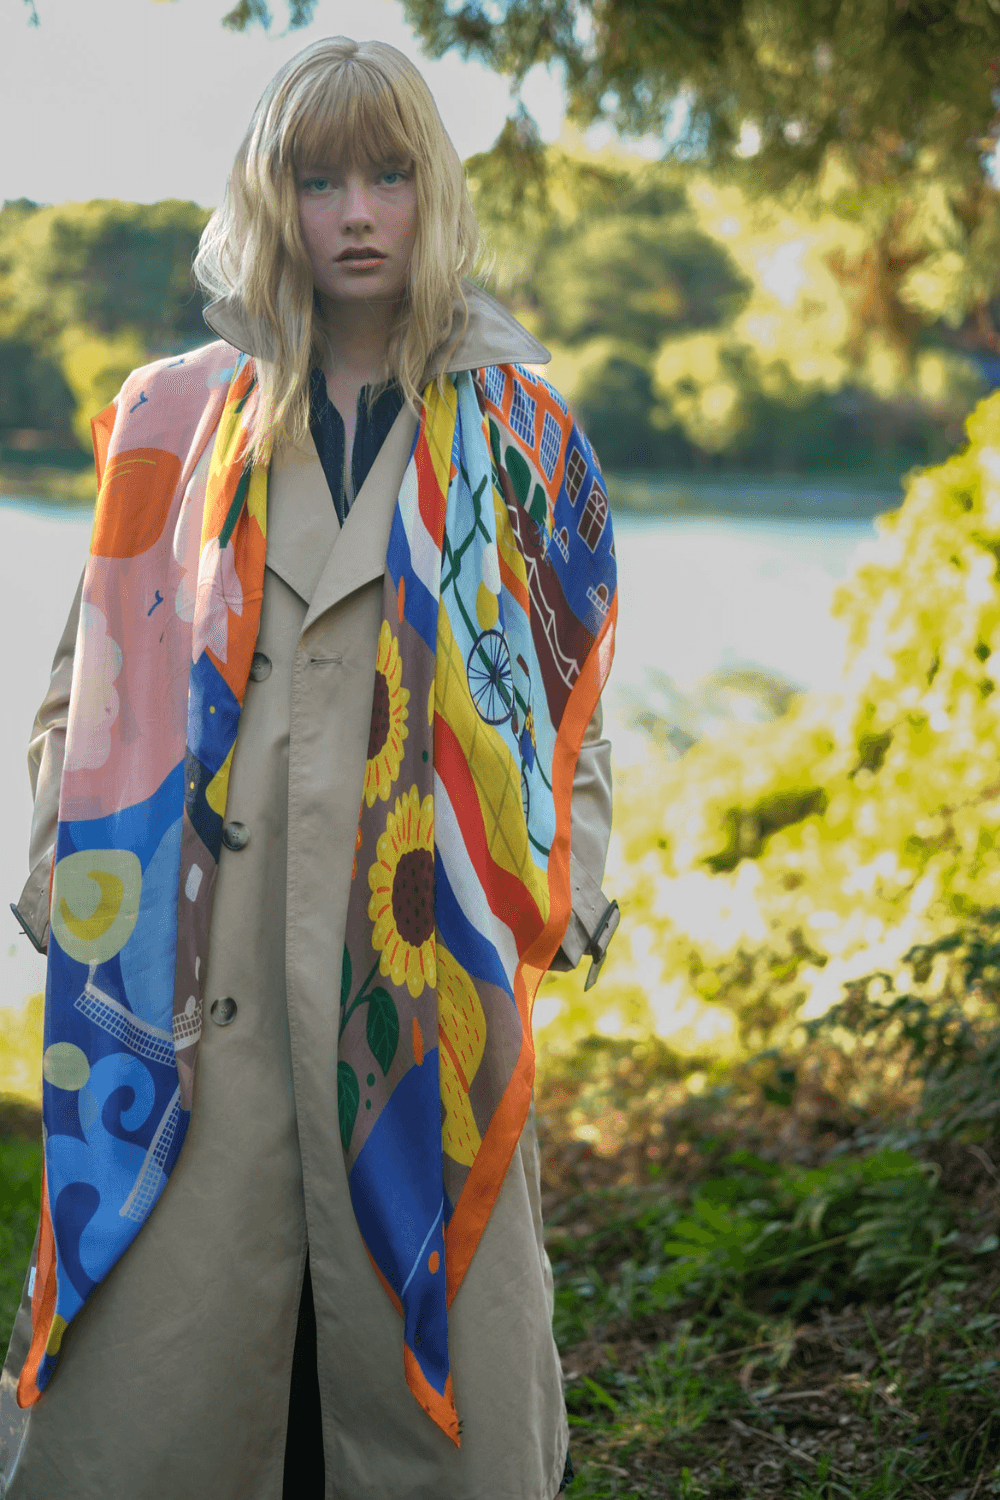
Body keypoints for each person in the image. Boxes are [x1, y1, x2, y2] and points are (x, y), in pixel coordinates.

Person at [0, 36, 618, 1500]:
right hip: (187, 964)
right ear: (269, 198)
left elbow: (572, 700)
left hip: (419, 966)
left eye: (387, 176)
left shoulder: (524, 434)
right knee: (185, 1355)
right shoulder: (171, 417)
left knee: (409, 1339)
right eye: (318, 179)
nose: (354, 214)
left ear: (433, 192)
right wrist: (60, 865)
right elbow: (87, 675)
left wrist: (566, 889)